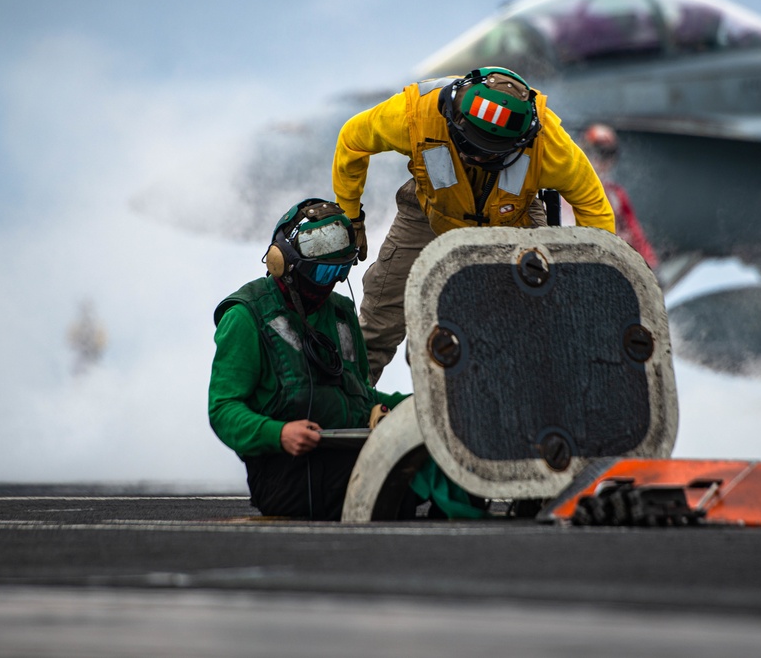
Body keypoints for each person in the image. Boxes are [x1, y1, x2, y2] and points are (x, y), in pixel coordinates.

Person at [332, 66, 616, 382]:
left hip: (514, 222)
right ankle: (350, 408)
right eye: (471, 146)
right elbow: (352, 139)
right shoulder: (414, 115)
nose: (476, 158)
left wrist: (591, 282)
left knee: (537, 326)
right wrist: (350, 218)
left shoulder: (549, 144)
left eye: (489, 153)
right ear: (453, 117)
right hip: (428, 214)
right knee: (381, 320)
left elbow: (593, 205)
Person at [209, 198, 485, 520]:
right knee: (408, 471)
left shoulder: (340, 312)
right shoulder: (246, 316)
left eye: (340, 270)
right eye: (322, 271)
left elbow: (360, 395)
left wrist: (425, 407)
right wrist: (278, 434)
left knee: (446, 438)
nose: (330, 282)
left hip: (346, 452)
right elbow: (223, 408)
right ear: (281, 263)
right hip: (286, 472)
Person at [581, 124, 659, 269]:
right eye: (598, 153)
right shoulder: (566, 192)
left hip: (610, 264)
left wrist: (651, 264)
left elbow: (636, 235)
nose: (602, 161)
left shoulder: (616, 195)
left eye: (608, 154)